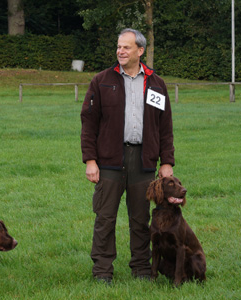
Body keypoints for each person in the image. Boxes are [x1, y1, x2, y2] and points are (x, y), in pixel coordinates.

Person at [80, 28, 174, 284]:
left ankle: (142, 269)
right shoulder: (101, 81)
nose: (120, 51)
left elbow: (165, 126)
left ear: (140, 51)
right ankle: (102, 271)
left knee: (141, 219)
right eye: (119, 47)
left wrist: (166, 162)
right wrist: (90, 160)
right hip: (109, 160)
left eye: (126, 47)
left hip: (144, 162)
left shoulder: (156, 83)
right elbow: (88, 123)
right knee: (105, 218)